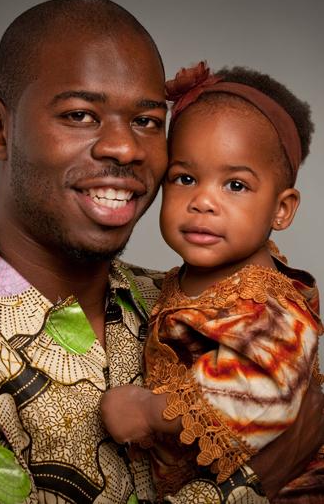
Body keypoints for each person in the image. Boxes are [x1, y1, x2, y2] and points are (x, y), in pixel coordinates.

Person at [0, 0, 323, 504]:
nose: (125, 148)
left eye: (145, 121)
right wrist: (256, 482)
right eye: (79, 114)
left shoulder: (179, 300)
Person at [101, 62, 324, 501]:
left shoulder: (267, 304)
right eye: (185, 179)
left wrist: (148, 411)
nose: (203, 201)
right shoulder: (179, 282)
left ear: (282, 209)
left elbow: (259, 393)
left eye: (236, 185)